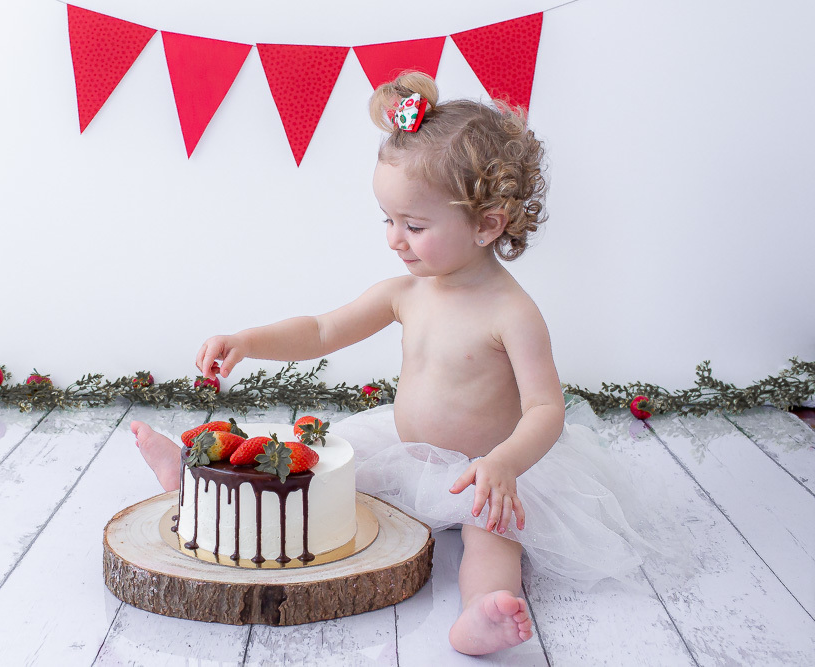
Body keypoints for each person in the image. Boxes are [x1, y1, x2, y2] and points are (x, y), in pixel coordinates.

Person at [131, 72, 658, 655]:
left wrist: (505, 462)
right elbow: (323, 330)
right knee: (318, 477)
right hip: (407, 446)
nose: (394, 239)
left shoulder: (512, 313)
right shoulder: (407, 293)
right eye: (387, 220)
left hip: (489, 465)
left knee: (494, 536)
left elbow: (545, 408)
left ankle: (483, 612)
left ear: (486, 225)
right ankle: (194, 485)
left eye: (415, 225)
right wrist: (249, 339)